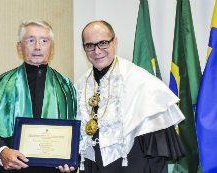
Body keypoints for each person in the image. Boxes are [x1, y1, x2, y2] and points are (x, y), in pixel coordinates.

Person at [0, 19, 76, 173]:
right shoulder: (3, 83)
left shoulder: (66, 86)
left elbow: (76, 130)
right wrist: (2, 152)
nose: (37, 46)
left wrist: (70, 161)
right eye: (30, 40)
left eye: (44, 41)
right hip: (13, 168)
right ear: (19, 47)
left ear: (52, 48)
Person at [75, 20, 186, 173]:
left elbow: (158, 153)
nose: (97, 51)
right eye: (90, 45)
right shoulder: (81, 84)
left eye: (103, 43)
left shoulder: (143, 82)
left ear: (115, 42)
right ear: (84, 48)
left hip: (133, 166)